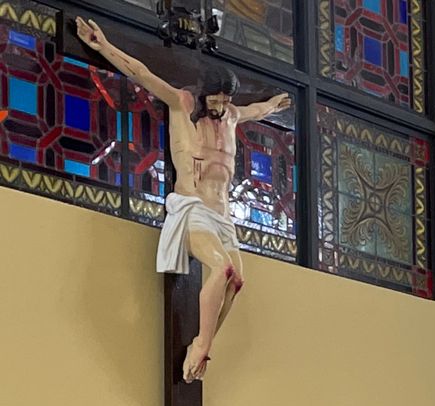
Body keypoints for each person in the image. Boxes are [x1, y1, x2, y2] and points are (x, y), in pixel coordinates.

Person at [77, 18, 288, 381]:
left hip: (223, 215)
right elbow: (142, 74)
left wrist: (273, 103)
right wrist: (103, 45)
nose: (221, 105)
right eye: (216, 98)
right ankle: (202, 345)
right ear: (204, 93)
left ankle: (204, 344)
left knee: (237, 281)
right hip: (193, 207)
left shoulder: (231, 116)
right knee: (222, 270)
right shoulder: (182, 103)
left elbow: (258, 111)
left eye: (226, 99)